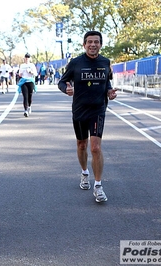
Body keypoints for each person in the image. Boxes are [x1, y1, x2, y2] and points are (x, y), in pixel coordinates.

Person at [58, 30, 117, 203]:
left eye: (96, 42)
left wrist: (109, 92)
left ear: (100, 44)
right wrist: (66, 89)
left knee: (95, 148)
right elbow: (62, 81)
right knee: (82, 144)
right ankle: (85, 173)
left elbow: (107, 82)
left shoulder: (105, 62)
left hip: (98, 110)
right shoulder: (75, 63)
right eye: (89, 42)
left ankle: (98, 186)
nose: (93, 45)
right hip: (79, 110)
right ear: (84, 45)